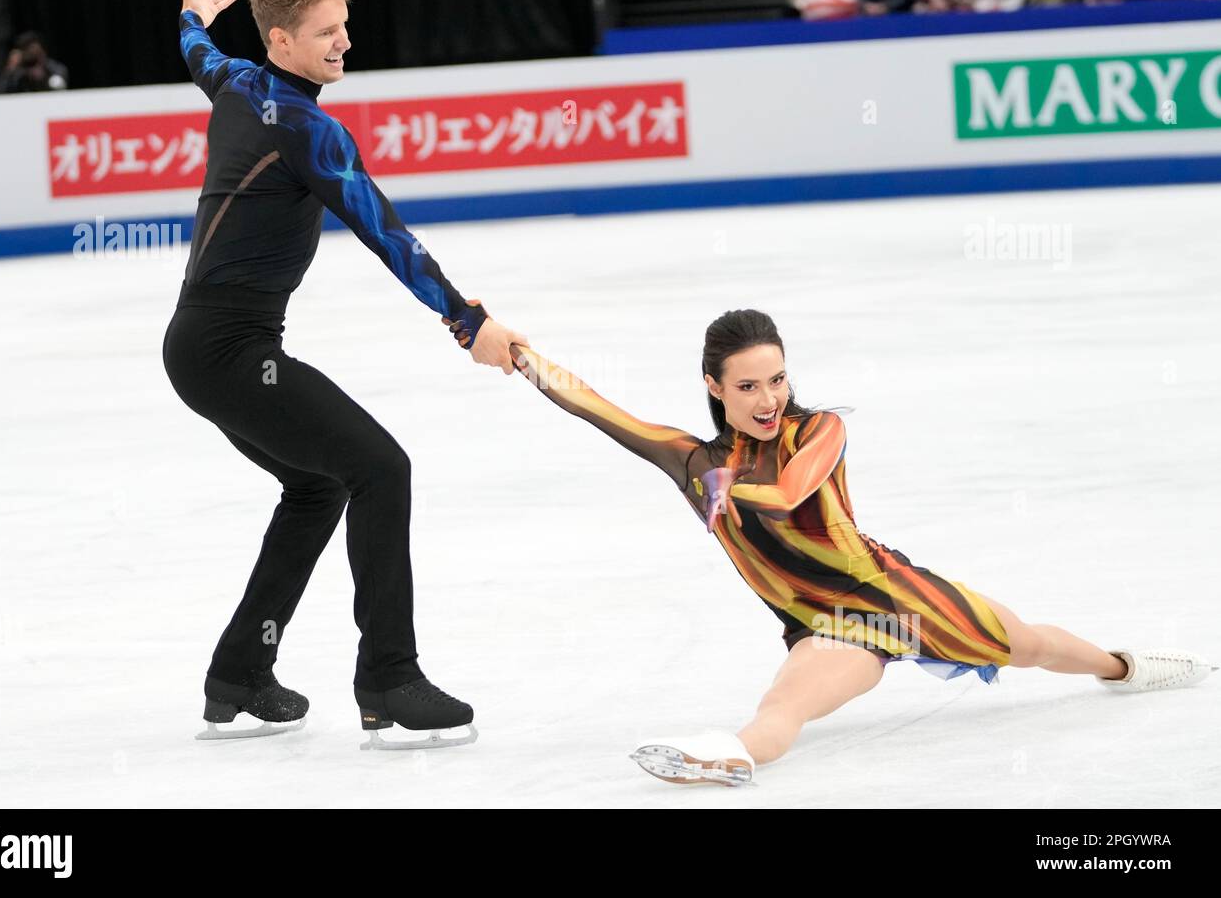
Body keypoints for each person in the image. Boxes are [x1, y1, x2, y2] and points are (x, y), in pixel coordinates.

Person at [509, 310, 1214, 786]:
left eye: (777, 379)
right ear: (713, 387)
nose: (768, 398)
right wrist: (512, 350)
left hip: (892, 594)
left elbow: (786, 495)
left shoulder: (819, 432)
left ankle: (1124, 666)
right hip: (828, 624)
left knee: (1025, 642)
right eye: (748, 385)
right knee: (784, 704)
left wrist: (720, 490)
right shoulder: (691, 459)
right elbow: (592, 404)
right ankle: (723, 756)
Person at [163, 0, 525, 747]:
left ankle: (237, 672)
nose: (345, 42)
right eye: (327, 32)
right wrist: (468, 323)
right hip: (228, 348)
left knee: (318, 488)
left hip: (204, 345)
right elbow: (385, 231)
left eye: (345, 26)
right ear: (284, 41)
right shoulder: (308, 128)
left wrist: (194, 17)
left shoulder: (234, 81)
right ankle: (390, 676)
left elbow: (201, 53)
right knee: (378, 468)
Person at [0, 32, 68, 93]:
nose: (31, 52)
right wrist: (11, 69)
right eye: (27, 49)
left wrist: (44, 76)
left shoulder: (52, 67)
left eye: (34, 48)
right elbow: (2, 90)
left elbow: (61, 82)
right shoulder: (18, 70)